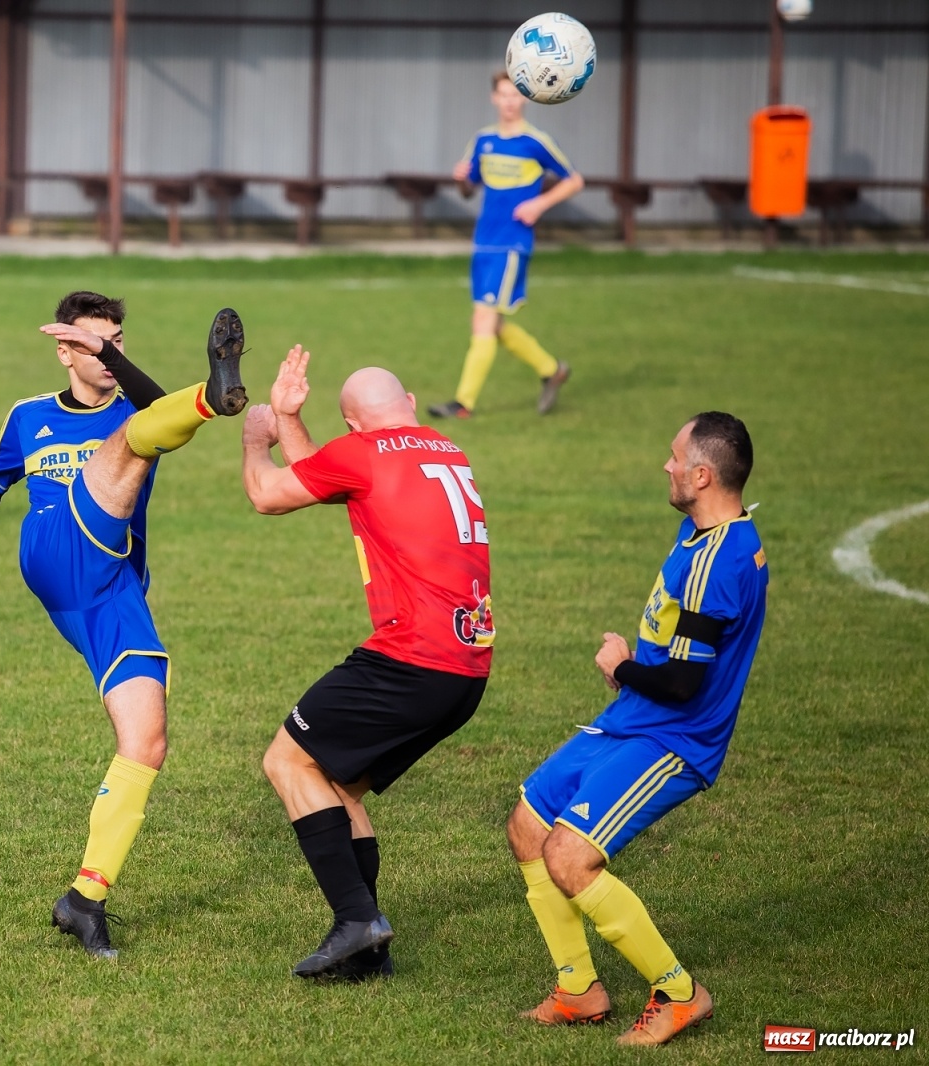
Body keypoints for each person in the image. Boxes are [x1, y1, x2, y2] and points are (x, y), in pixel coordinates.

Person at [0, 292, 247, 959]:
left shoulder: (135, 406)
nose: (108, 354)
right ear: (64, 350)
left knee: (146, 741)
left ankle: (84, 900)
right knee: (130, 442)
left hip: (111, 588)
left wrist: (113, 360)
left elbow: (154, 407)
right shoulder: (30, 416)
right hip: (53, 547)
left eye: (117, 343)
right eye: (96, 344)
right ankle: (213, 398)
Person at [507, 412, 766, 1047]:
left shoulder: (721, 561)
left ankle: (679, 994)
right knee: (528, 828)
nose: (666, 466)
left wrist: (620, 665)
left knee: (569, 856)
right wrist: (632, 675)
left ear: (702, 476)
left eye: (676, 457)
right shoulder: (701, 532)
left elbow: (683, 685)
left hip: (674, 738)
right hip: (636, 718)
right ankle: (578, 990)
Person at [241, 346, 494, 979]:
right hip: (465, 670)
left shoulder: (360, 453)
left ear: (352, 425)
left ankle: (356, 920)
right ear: (409, 403)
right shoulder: (445, 448)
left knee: (286, 761)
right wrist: (292, 419)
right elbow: (329, 476)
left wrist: (257, 439)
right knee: (337, 784)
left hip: (410, 659)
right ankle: (369, 951)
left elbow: (269, 494)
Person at [429, 70, 583, 421]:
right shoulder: (483, 140)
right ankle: (551, 369)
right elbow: (468, 189)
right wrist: (461, 180)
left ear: (524, 98)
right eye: (503, 94)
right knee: (491, 323)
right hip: (484, 241)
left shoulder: (536, 142)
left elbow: (574, 180)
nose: (510, 101)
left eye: (516, 95)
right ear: (494, 98)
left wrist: (539, 204)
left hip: (513, 242)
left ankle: (463, 403)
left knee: (483, 319)